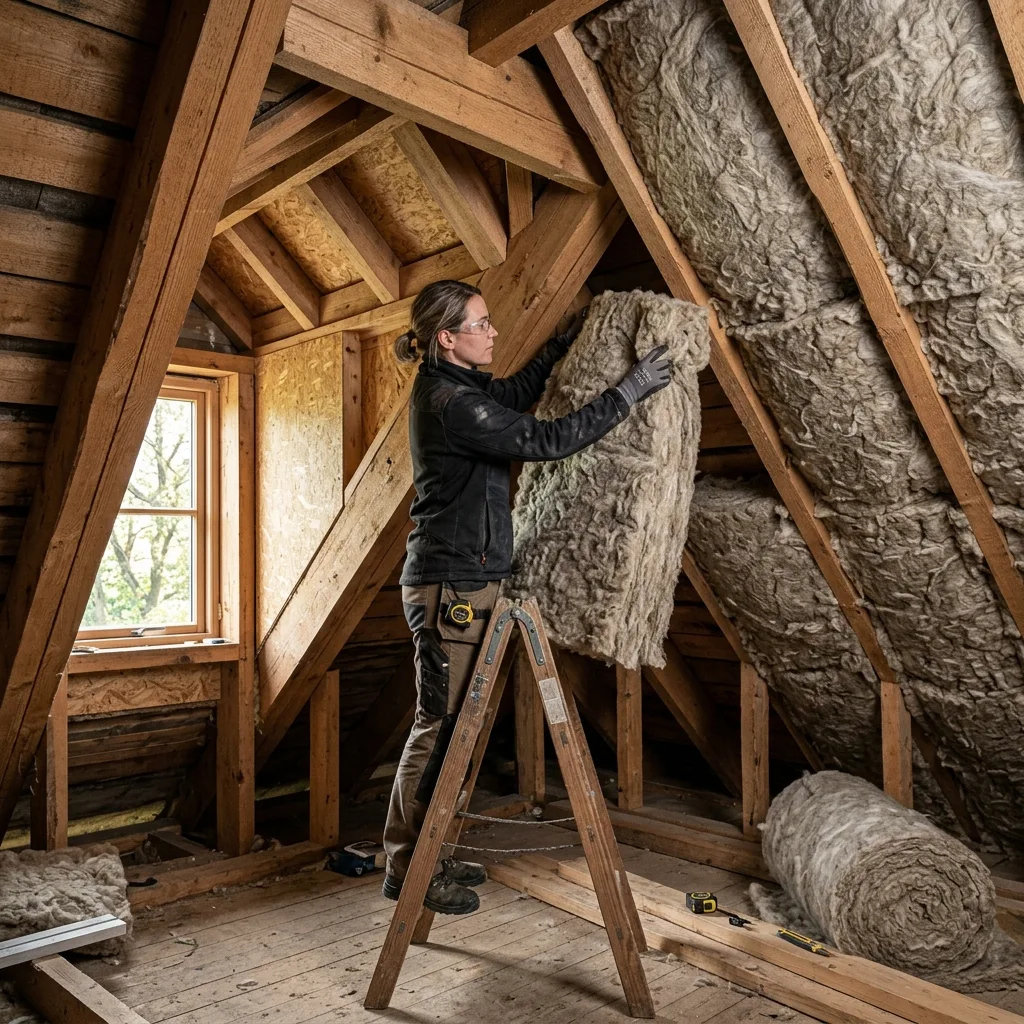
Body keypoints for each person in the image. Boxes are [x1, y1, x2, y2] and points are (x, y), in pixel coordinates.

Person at [381, 279, 672, 915]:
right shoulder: (450, 402)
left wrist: (564, 345)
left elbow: (513, 394)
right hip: (450, 585)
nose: (492, 333)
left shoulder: (461, 388)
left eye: (489, 322)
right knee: (440, 727)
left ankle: (431, 851)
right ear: (446, 338)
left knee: (457, 727)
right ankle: (407, 868)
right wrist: (630, 391)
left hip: (468, 577)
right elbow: (546, 439)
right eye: (480, 325)